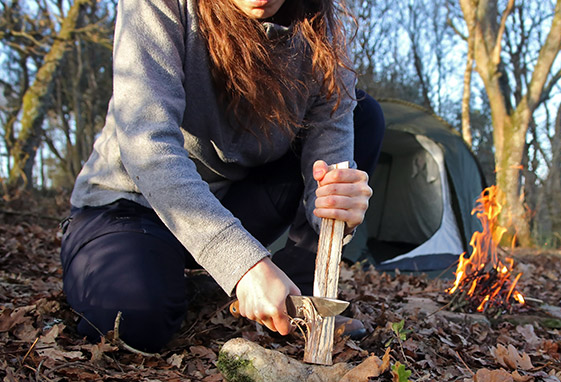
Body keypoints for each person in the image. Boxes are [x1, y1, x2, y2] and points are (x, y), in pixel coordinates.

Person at [60, 0, 385, 353]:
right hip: (131, 203)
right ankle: (194, 273)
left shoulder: (319, 32)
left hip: (228, 200)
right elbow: (146, 145)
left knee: (364, 114)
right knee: (131, 321)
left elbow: (328, 174)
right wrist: (242, 263)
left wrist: (340, 208)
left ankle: (298, 298)